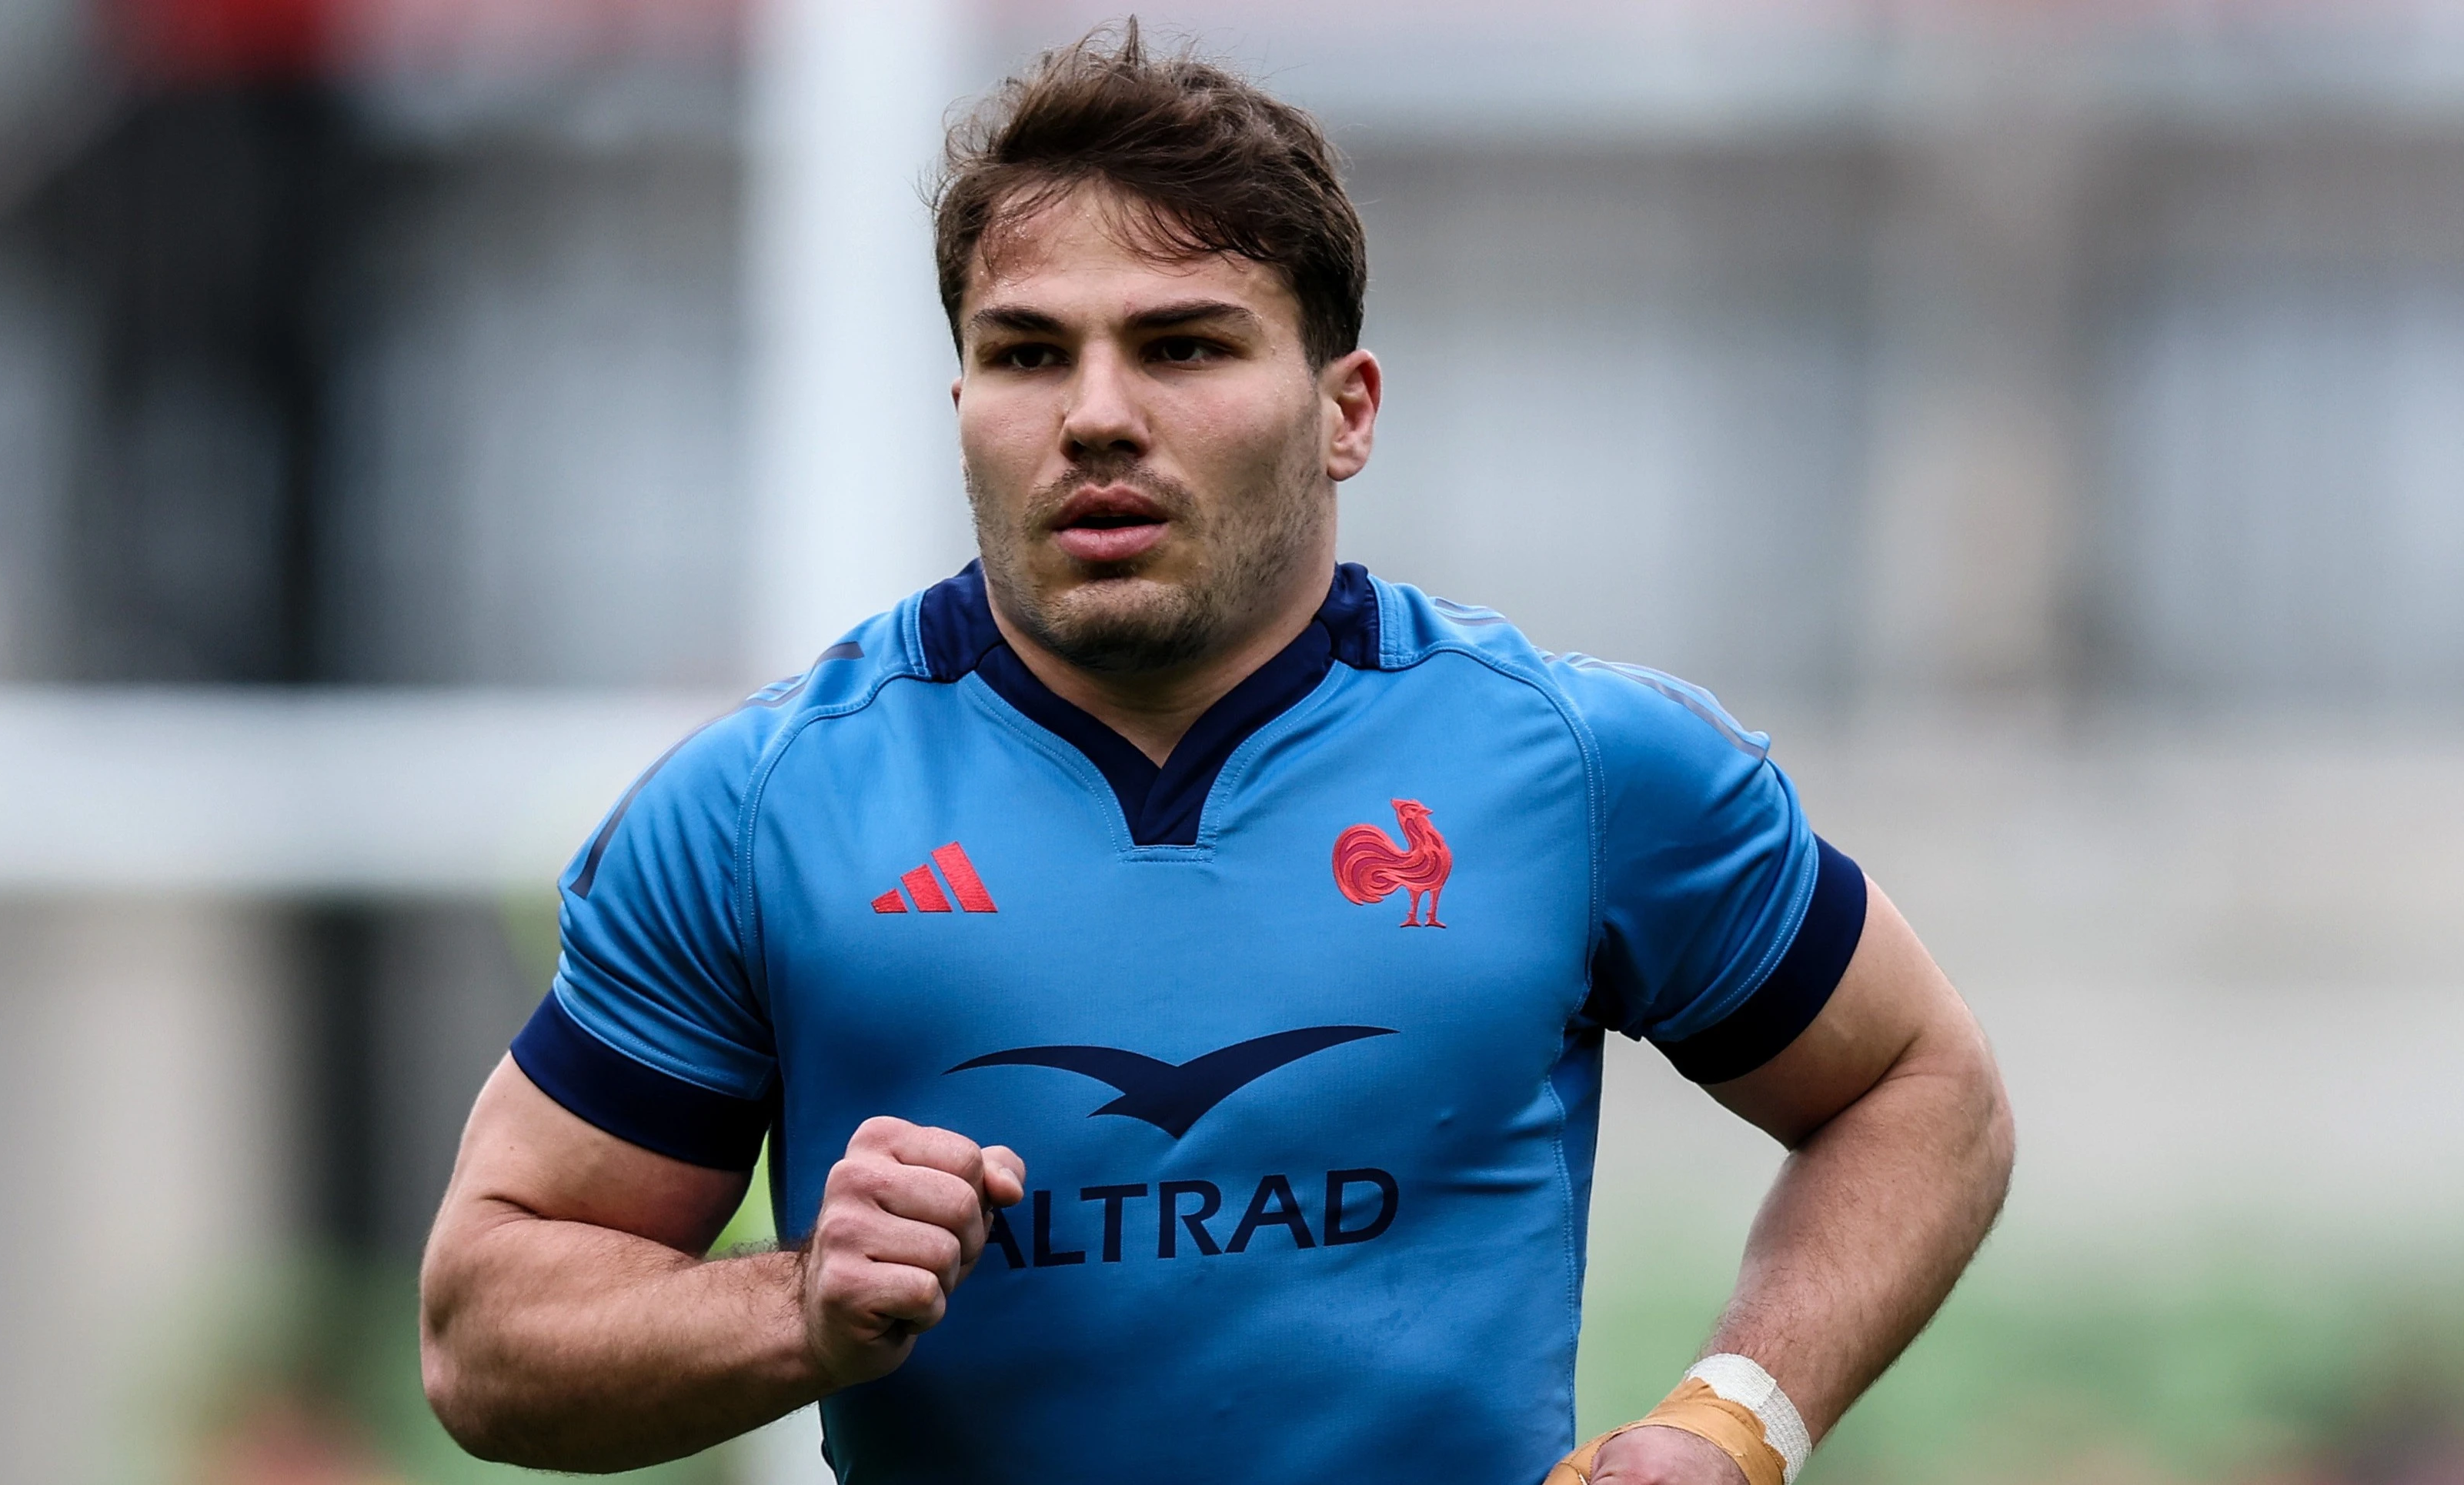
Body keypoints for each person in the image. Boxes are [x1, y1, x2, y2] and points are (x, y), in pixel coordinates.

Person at [418, 25, 2013, 1485]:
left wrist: (1733, 1418)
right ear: (962, 394)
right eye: (1029, 352)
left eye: (1182, 346)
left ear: (1345, 410)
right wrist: (794, 1308)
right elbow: (485, 1333)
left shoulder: (1578, 764)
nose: (1095, 414)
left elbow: (1915, 1087)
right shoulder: (761, 812)